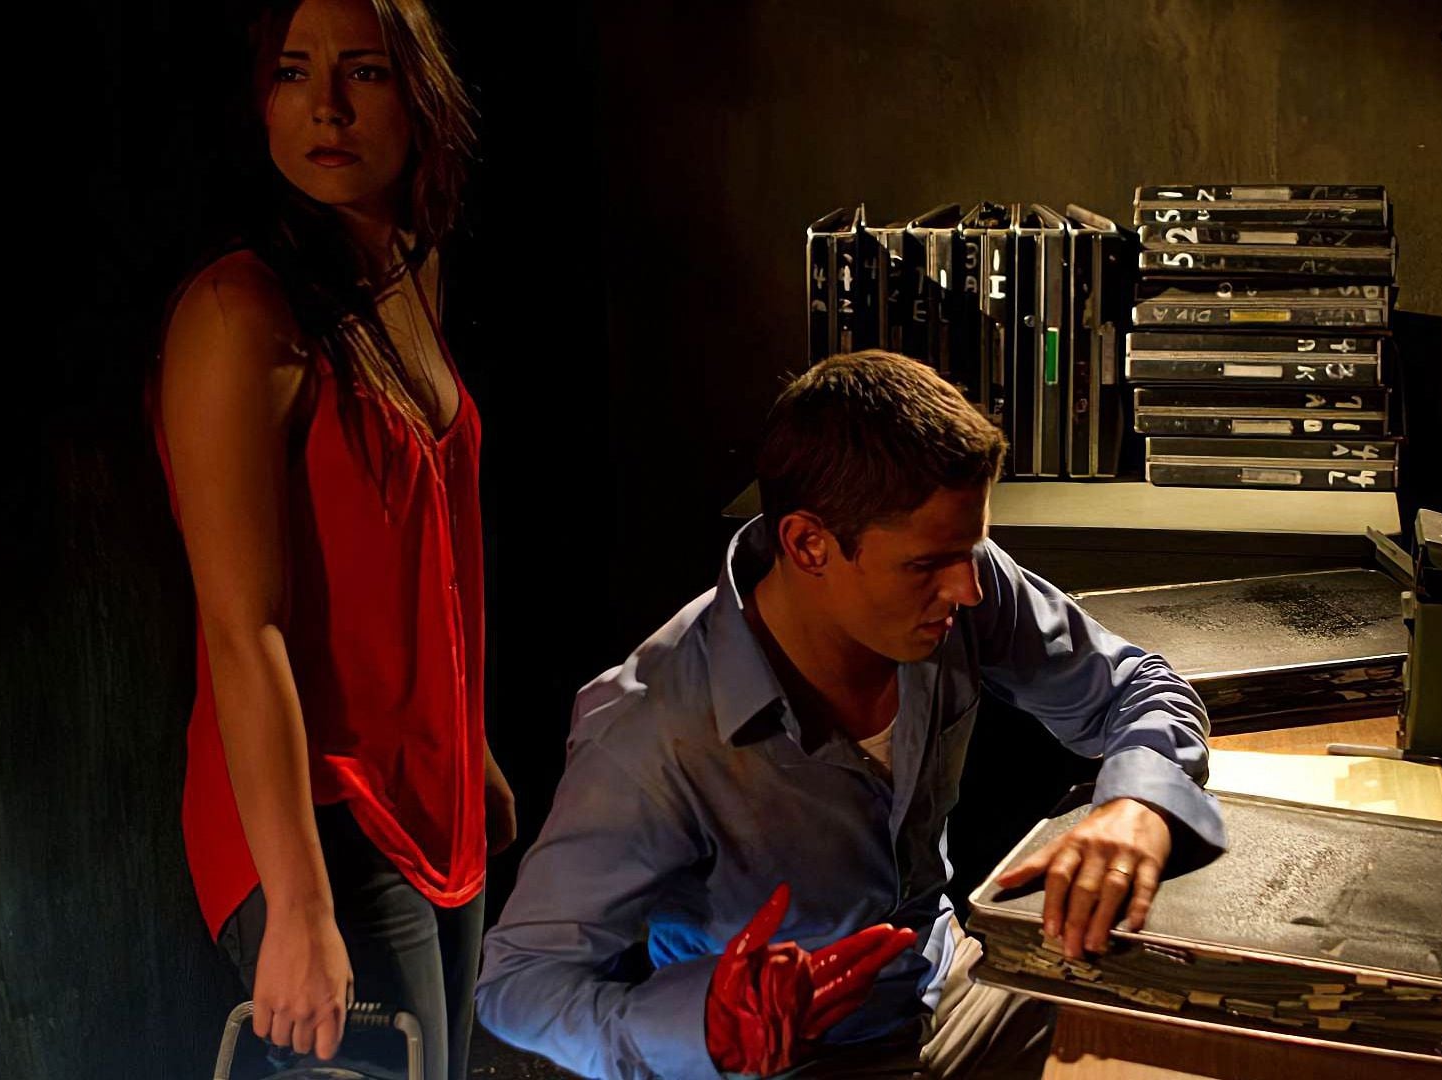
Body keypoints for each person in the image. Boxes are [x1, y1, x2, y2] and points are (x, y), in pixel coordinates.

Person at [476, 352, 1226, 1078]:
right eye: (926, 565)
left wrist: (1138, 805)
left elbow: (1139, 687)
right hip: (784, 1060)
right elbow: (519, 986)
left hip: (952, 987)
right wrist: (704, 1028)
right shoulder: (647, 733)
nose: (968, 591)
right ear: (809, 544)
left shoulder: (960, 579)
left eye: (973, 551)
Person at [149, 2, 511, 1076]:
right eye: (293, 73)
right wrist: (300, 908)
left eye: (363, 72)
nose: (327, 108)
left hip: (426, 795)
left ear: (420, 95)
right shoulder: (239, 313)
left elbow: (418, 550)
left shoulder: (402, 273)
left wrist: (470, 749)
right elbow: (241, 624)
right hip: (309, 814)